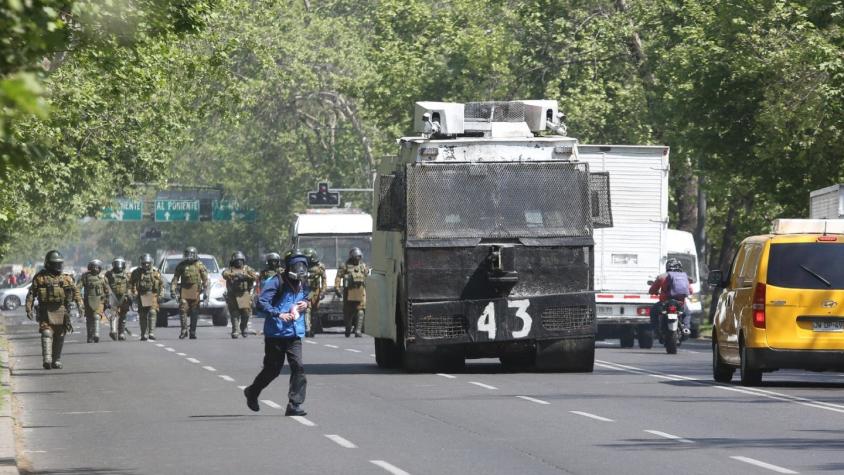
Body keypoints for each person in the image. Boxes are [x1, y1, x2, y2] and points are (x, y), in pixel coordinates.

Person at [244, 251, 310, 416]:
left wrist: (305, 304)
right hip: (276, 333)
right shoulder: (276, 282)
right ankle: (252, 392)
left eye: (303, 266)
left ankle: (294, 404)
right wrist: (278, 314)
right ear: (289, 267)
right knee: (272, 370)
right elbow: (261, 302)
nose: (300, 269)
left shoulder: (302, 282)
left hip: (294, 333)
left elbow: (306, 297)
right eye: (297, 266)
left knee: (298, 367)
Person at [25, 251, 82, 369]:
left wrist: (80, 306)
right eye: (55, 264)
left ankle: (56, 360)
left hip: (62, 311)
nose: (58, 266)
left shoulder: (67, 278)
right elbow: (31, 294)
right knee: (46, 333)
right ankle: (47, 359)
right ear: (48, 264)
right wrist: (28, 308)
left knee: (60, 336)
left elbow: (76, 293)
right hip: (45, 311)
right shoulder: (40, 278)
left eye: (60, 264)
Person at [170, 246, 209, 339]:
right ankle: (184, 330)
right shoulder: (181, 265)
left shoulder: (199, 265)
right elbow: (175, 279)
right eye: (187, 254)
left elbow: (205, 279)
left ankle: (192, 331)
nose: (189, 256)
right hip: (184, 290)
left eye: (191, 254)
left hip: (196, 291)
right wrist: (172, 289)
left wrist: (206, 291)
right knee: (182, 308)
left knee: (194, 311)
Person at [648, 258, 693, 336]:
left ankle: (655, 330)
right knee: (687, 313)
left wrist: (655, 292)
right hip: (680, 303)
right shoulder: (684, 277)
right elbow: (690, 291)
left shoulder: (661, 277)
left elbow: (652, 290)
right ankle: (686, 328)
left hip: (664, 303)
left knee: (653, 311)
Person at [334, 247, 368, 338]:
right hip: (349, 292)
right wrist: (337, 288)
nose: (358, 259)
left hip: (361, 291)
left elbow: (367, 278)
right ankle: (348, 328)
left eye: (359, 257)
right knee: (348, 312)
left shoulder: (363, 266)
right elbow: (338, 277)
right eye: (357, 257)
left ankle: (358, 330)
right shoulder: (344, 266)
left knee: (360, 311)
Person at [223, 251, 258, 339]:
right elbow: (224, 274)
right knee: (234, 313)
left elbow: (256, 276)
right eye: (237, 260)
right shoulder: (230, 269)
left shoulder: (247, 269)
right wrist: (234, 274)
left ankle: (244, 327)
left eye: (240, 260)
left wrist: (245, 276)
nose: (238, 262)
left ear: (243, 261)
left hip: (244, 293)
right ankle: (235, 331)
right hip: (233, 294)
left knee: (246, 312)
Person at [130, 254, 163, 341]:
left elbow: (161, 285)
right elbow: (131, 284)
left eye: (148, 263)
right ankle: (144, 333)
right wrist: (134, 292)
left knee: (152, 312)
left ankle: (151, 333)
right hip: (142, 295)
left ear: (151, 263)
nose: (146, 265)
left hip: (153, 295)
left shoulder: (156, 272)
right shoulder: (136, 272)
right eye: (144, 263)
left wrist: (161, 295)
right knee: (143, 315)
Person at [78, 259, 111, 343]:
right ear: (90, 267)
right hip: (88, 300)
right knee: (89, 318)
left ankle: (96, 334)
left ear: (100, 268)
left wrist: (108, 301)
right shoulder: (85, 277)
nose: (95, 269)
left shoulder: (103, 278)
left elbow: (107, 290)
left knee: (96, 316)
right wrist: (79, 298)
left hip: (100, 300)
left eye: (97, 267)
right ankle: (90, 336)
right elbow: (78, 287)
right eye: (93, 267)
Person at [105, 257, 131, 341]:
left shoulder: (127, 275)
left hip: (124, 297)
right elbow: (105, 284)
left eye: (120, 264)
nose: (118, 266)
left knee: (123, 315)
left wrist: (129, 294)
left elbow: (130, 285)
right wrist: (107, 294)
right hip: (113, 296)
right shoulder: (108, 274)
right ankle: (113, 331)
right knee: (113, 314)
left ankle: (121, 333)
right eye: (116, 263)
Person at [304, 248, 326, 338]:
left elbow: (324, 280)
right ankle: (307, 329)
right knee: (307, 310)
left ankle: (313, 329)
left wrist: (323, 291)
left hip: (315, 291)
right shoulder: (303, 266)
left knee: (315, 312)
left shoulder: (320, 267)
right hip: (305, 291)